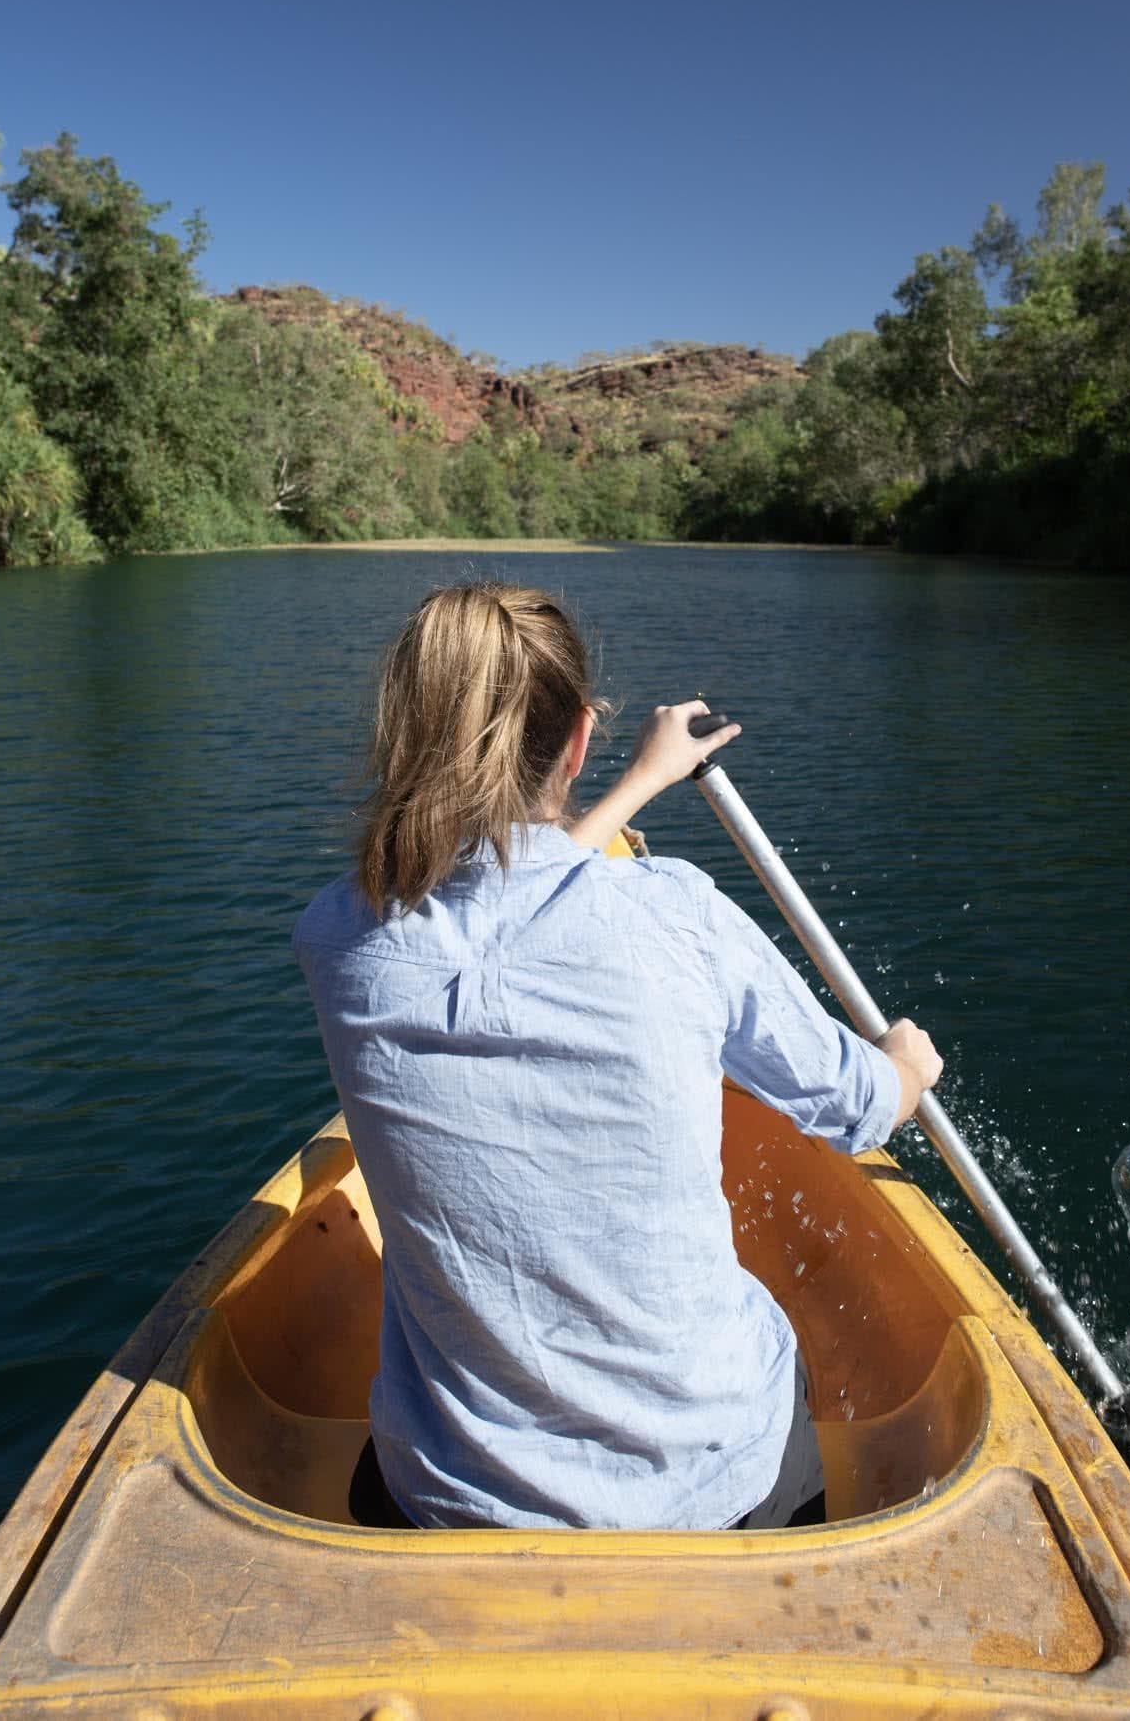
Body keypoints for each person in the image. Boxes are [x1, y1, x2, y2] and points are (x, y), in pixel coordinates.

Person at [293, 581, 942, 1533]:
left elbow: (504, 923)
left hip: (453, 1492)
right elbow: (855, 1110)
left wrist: (640, 784)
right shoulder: (672, 913)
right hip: (709, 1481)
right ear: (576, 743)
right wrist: (904, 1064)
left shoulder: (341, 939)